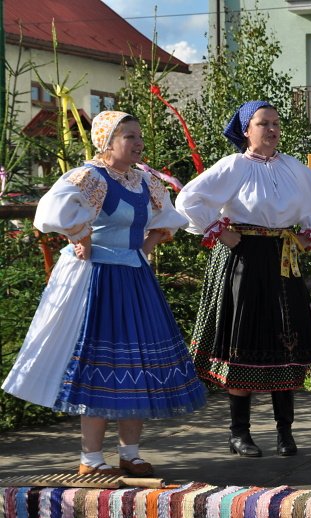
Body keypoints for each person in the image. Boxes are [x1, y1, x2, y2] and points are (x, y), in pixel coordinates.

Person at [2, 111, 207, 476]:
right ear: (106, 142)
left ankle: (130, 453)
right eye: (128, 135)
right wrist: (78, 233)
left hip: (135, 279)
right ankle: (91, 459)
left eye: (138, 135)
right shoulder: (90, 177)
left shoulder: (144, 181)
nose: (138, 142)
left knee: (136, 365)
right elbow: (50, 211)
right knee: (98, 366)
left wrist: (148, 243)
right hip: (96, 279)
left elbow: (167, 222)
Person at [175, 100, 311, 458]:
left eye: (276, 123)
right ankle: (239, 434)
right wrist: (219, 230)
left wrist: (310, 230)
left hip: (281, 258)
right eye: (264, 123)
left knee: (286, 342)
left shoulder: (293, 167)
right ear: (246, 130)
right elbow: (188, 199)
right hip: (242, 257)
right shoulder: (233, 166)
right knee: (241, 341)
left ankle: (285, 434)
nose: (273, 129)